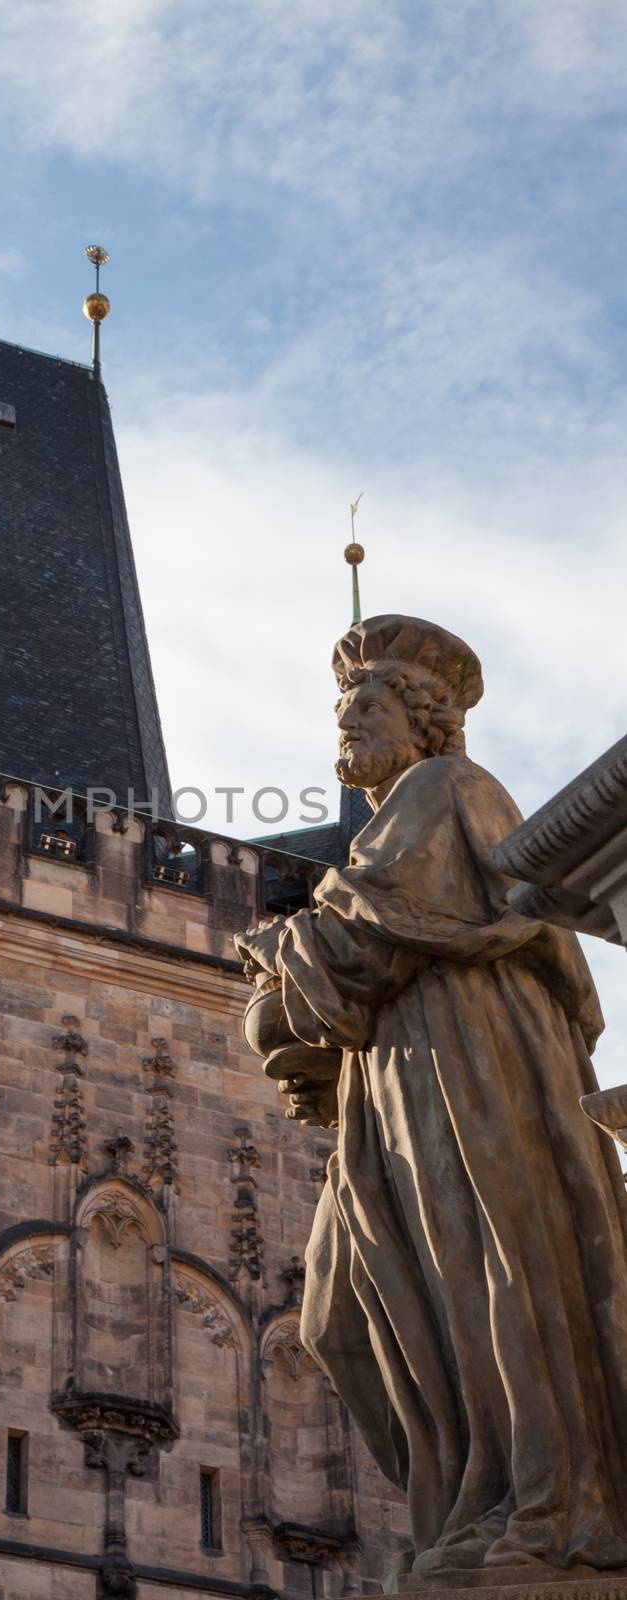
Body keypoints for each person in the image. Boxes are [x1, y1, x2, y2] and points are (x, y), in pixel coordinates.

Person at [236, 615, 627, 1590]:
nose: (348, 719)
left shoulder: (446, 789)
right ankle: (467, 1503)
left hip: (465, 1062)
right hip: (396, 1071)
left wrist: (285, 966)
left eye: (367, 701)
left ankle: (541, 1509)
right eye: (342, 703)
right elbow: (345, 950)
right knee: (342, 1311)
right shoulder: (390, 819)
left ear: (425, 720)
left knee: (492, 1272)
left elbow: (361, 934)